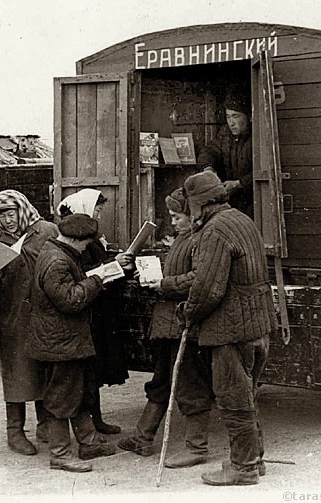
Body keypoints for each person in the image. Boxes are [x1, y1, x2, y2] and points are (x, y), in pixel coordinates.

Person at [180, 171, 276, 486]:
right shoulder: (242, 220)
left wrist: (188, 313)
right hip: (258, 325)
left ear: (199, 203)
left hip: (231, 329)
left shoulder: (214, 231)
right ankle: (255, 459)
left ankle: (243, 468)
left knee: (233, 399)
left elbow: (208, 289)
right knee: (247, 394)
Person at [118, 188, 215, 468]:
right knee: (162, 380)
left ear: (193, 215)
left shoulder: (201, 240)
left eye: (176, 217)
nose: (172, 222)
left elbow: (199, 278)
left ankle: (197, 447)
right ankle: (142, 437)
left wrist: (164, 284)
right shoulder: (184, 238)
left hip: (185, 323)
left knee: (190, 383)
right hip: (168, 324)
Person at [24, 213, 117, 472]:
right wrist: (97, 280)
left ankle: (88, 443)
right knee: (61, 399)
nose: (86, 248)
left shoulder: (58, 252)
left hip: (66, 340)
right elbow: (70, 299)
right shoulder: (57, 261)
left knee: (79, 392)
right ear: (76, 239)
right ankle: (60, 454)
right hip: (60, 343)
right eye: (86, 243)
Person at [0, 189, 59, 455]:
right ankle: (14, 432)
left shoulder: (47, 231)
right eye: (1, 215)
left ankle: (45, 425)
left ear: (22, 209)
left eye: (11, 213)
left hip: (44, 314)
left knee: (45, 370)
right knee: (17, 373)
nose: (7, 220)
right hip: (13, 317)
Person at [57, 188, 133, 434]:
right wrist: (112, 264)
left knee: (94, 368)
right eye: (97, 210)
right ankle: (89, 423)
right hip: (87, 307)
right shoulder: (75, 239)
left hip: (98, 304)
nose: (99, 215)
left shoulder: (91, 237)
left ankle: (95, 419)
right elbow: (83, 273)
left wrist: (119, 266)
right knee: (87, 369)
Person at [198, 87, 253, 217]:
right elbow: (210, 151)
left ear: (249, 117)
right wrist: (208, 169)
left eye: (235, 116)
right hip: (232, 201)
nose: (231, 123)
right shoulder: (225, 135)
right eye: (228, 117)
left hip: (253, 202)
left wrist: (240, 184)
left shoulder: (256, 137)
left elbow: (262, 170)